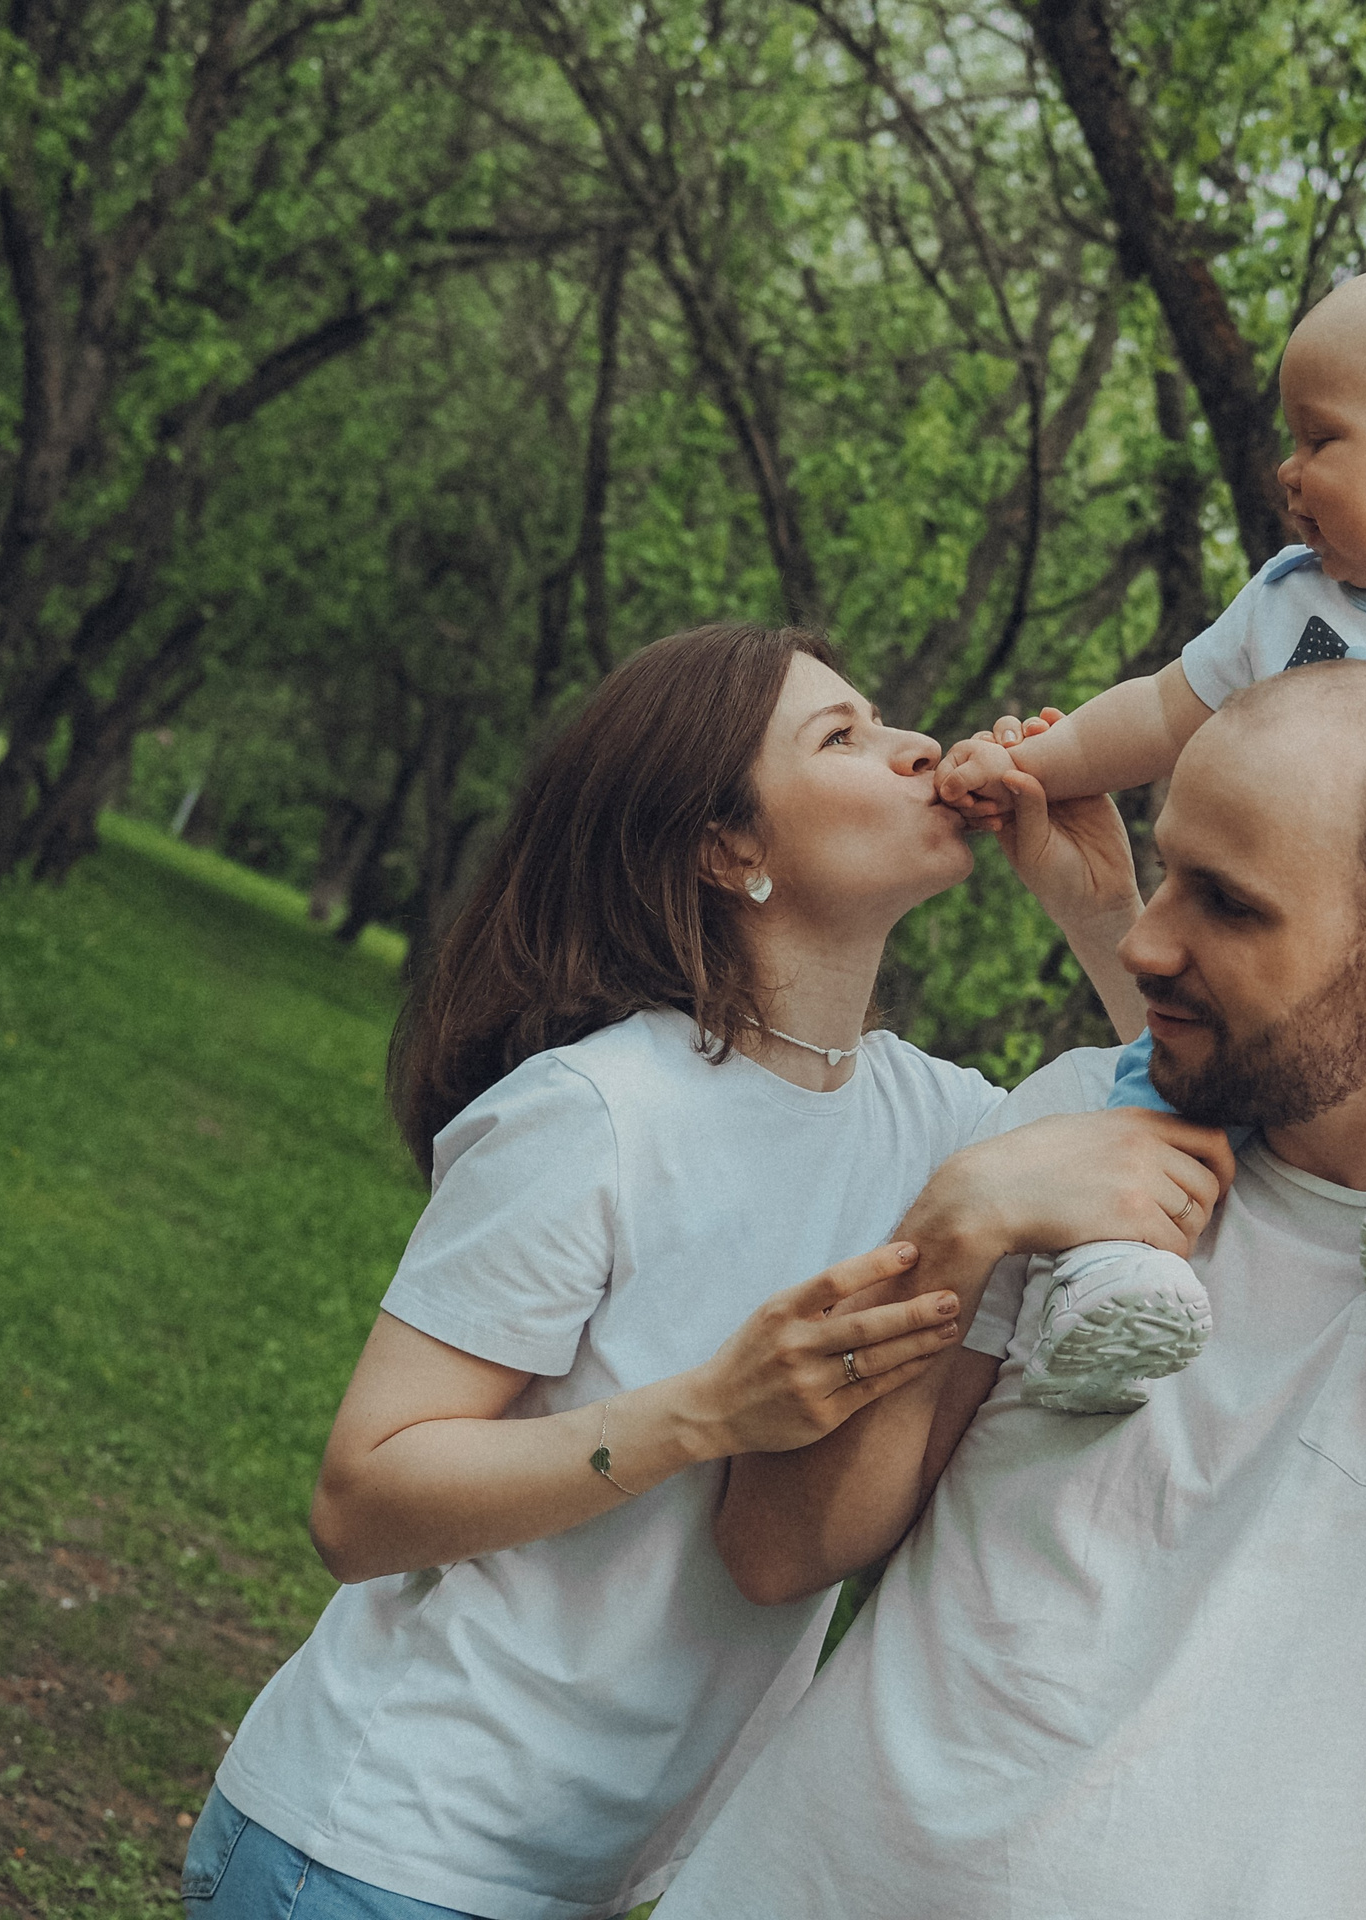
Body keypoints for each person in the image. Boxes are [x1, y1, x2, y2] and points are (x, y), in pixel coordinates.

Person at [179, 625, 1233, 1920]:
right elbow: (361, 1499)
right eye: (840, 737)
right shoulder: (598, 1112)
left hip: (605, 1876)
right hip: (381, 1847)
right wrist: (705, 1415)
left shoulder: (948, 1127)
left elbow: (1202, 1137)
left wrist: (1100, 914)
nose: (916, 747)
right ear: (731, 847)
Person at [674, 661, 1366, 1920]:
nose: (1144, 940)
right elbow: (776, 1551)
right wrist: (955, 1229)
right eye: (1168, 868)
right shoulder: (1074, 1124)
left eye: (1227, 906)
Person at [935, 251, 1366, 1424]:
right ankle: (1117, 1270)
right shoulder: (1287, 600)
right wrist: (1031, 764)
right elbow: (1164, 710)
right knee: (1155, 1077)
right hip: (1289, 949)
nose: (1289, 468)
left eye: (1322, 438)